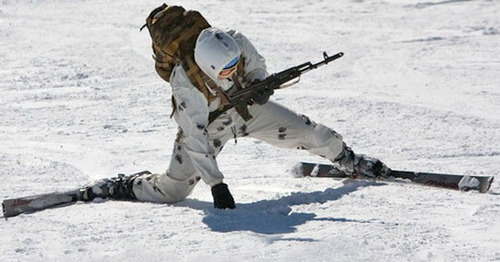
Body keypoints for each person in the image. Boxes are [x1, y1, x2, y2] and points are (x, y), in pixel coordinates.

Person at [80, 28, 390, 209]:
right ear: (210, 68)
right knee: (173, 192)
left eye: (234, 64)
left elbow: (257, 68)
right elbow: (195, 137)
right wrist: (216, 184)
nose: (233, 70)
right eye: (226, 70)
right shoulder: (186, 85)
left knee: (307, 131)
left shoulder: (236, 43)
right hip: (209, 128)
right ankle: (124, 186)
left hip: (247, 111)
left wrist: (258, 87)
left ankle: (349, 160)